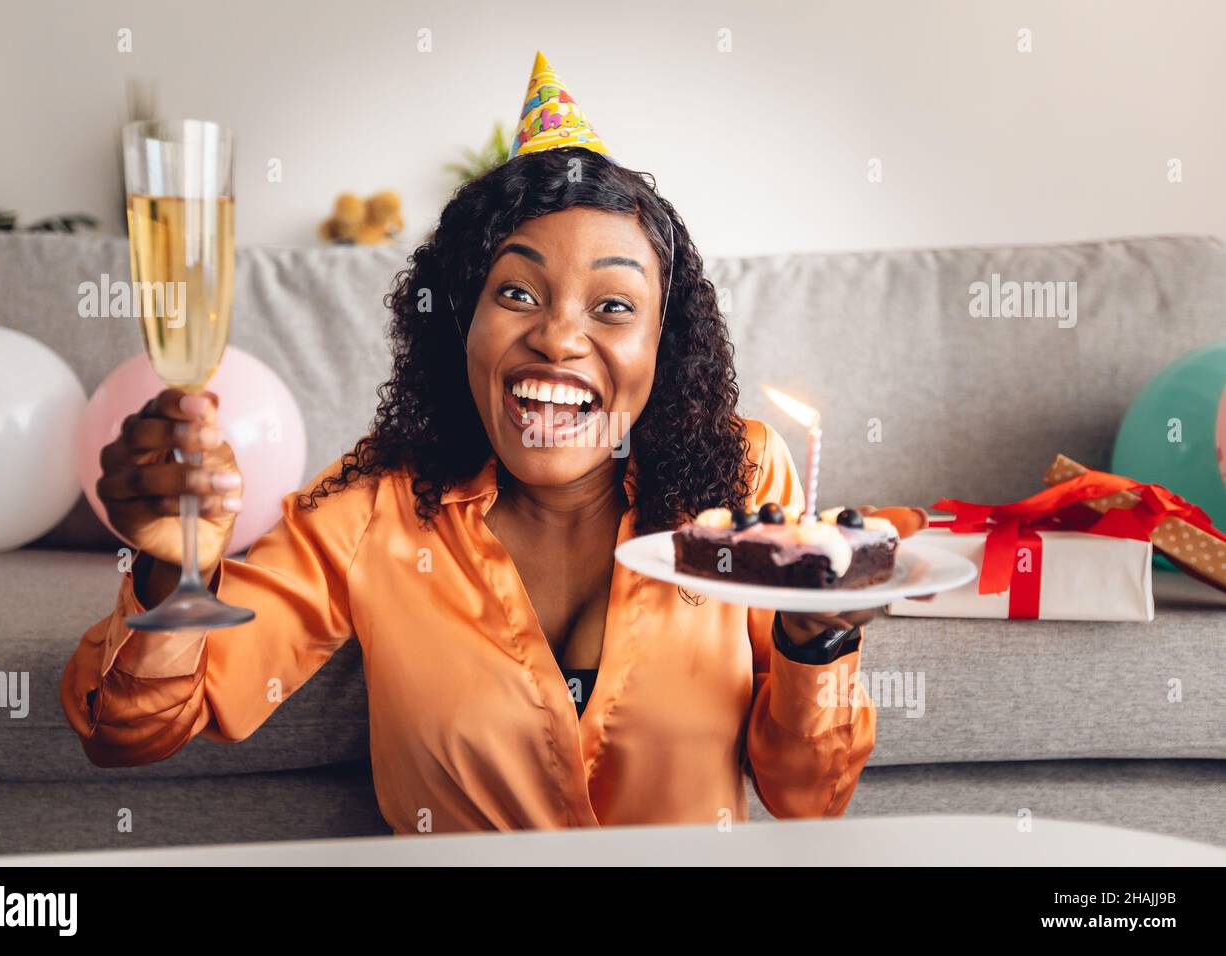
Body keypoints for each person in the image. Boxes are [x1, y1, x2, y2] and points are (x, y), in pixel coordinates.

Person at [62, 52, 876, 833]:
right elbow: (132, 733)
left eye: (614, 306)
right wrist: (171, 569)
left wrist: (820, 642)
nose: (558, 338)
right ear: (461, 321)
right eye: (516, 291)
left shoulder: (742, 479)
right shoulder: (373, 503)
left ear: (666, 344)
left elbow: (809, 799)